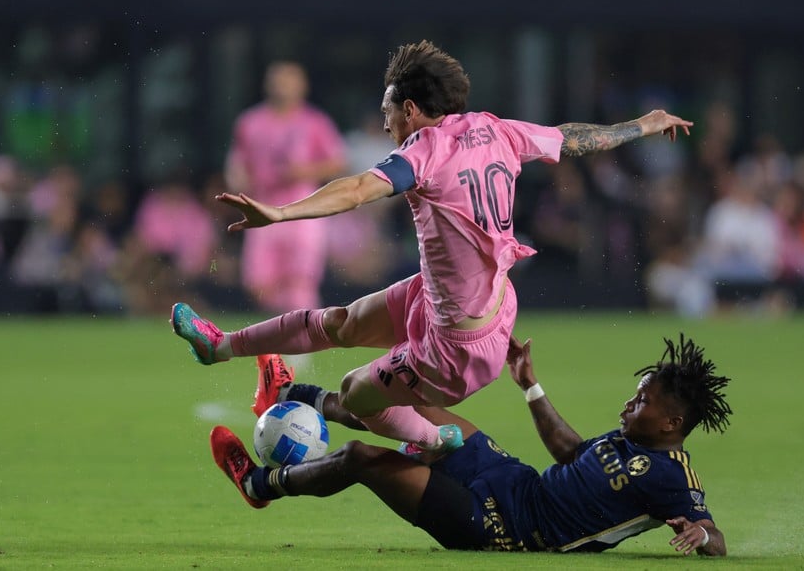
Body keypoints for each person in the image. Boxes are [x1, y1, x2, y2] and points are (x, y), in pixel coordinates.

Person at [172, 39, 694, 453]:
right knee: (341, 322)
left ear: (413, 109)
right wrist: (641, 126)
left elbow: (356, 190)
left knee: (356, 391)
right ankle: (217, 348)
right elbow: (571, 137)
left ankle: (431, 440)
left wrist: (280, 212)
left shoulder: (425, 149)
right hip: (457, 300)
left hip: (455, 348)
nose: (384, 124)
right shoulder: (494, 128)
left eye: (388, 112)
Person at [209, 334, 730, 555]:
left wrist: (701, 539)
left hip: (506, 527)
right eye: (634, 395)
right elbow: (571, 452)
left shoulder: (672, 476)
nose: (628, 405)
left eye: (641, 402)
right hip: (512, 479)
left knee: (361, 460)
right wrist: (530, 385)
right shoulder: (627, 439)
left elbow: (714, 536)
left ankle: (260, 484)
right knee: (409, 405)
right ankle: (290, 393)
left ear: (672, 423)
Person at [224, 60, 347, 312]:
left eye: (289, 80)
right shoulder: (250, 122)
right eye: (277, 80)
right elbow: (237, 162)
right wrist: (238, 182)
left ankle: (302, 344)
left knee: (300, 280)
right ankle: (280, 333)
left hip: (303, 207)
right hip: (262, 205)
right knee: (259, 282)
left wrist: (305, 171)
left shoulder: (315, 122)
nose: (282, 87)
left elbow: (338, 162)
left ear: (302, 86)